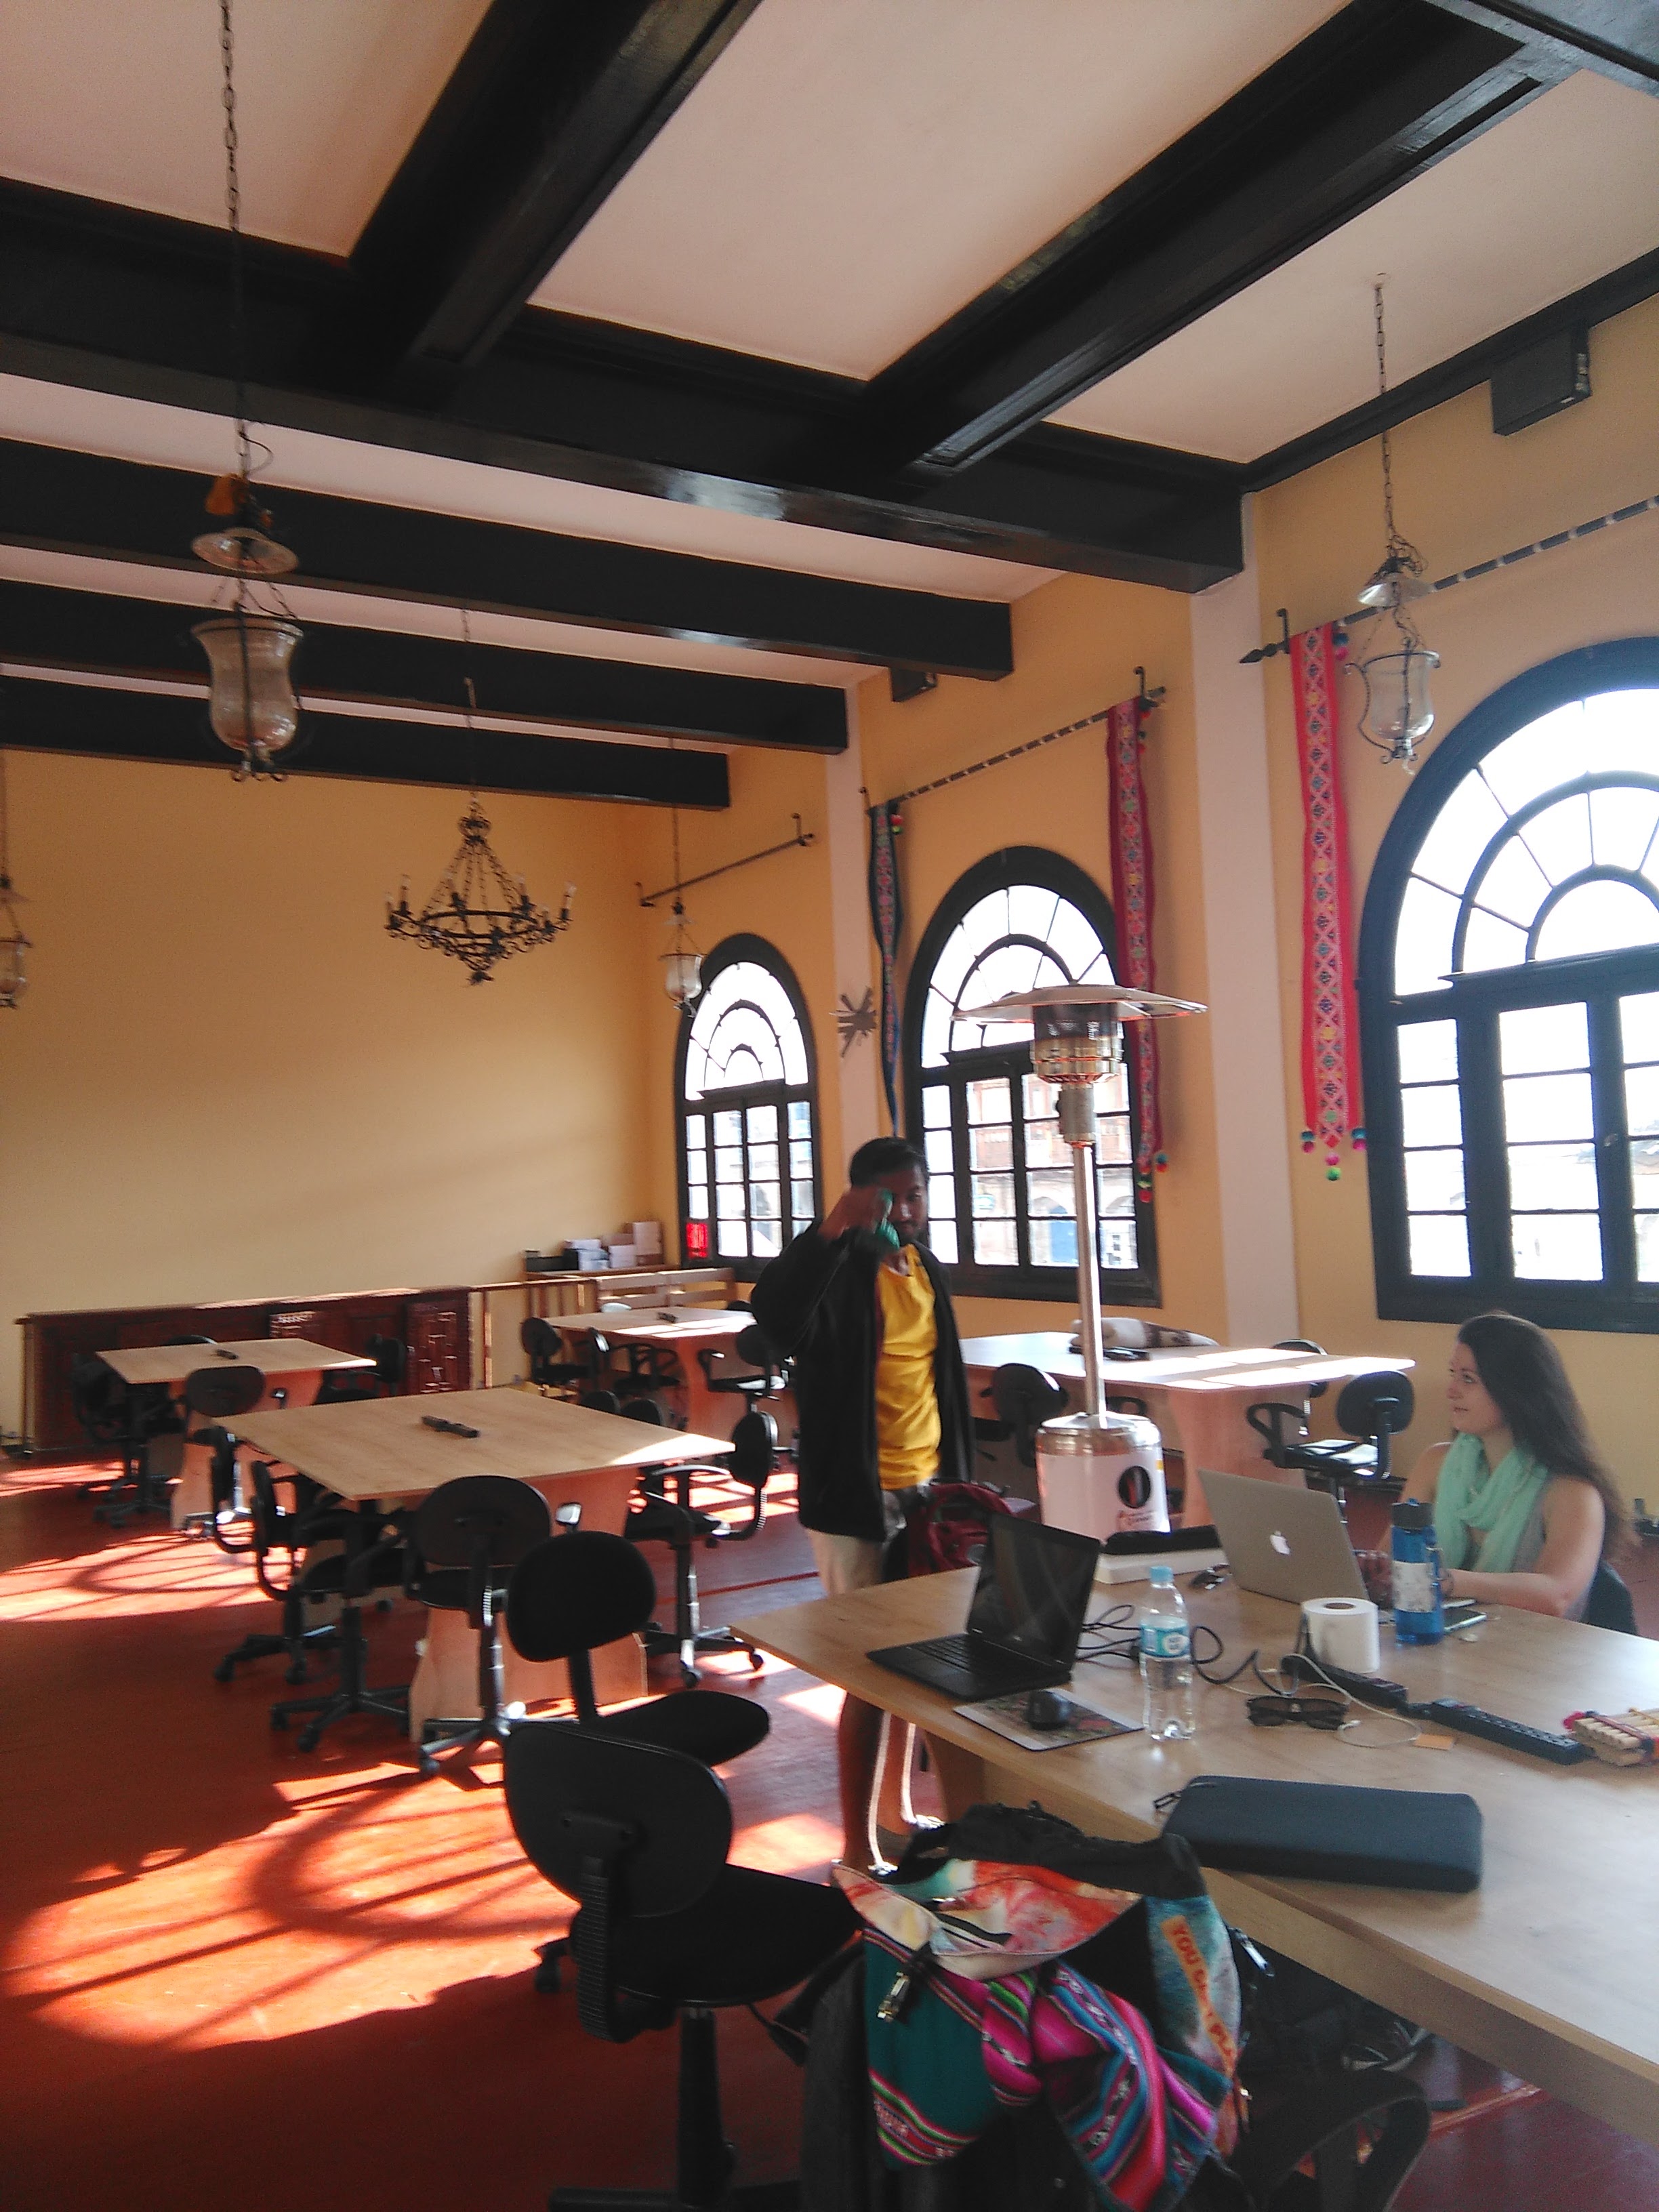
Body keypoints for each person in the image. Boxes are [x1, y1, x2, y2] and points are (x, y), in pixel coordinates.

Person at [750, 1134, 972, 1869]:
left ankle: (897, 1812)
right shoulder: (839, 1271)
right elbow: (775, 1320)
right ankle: (857, 1851)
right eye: (889, 1198)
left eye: (915, 1195)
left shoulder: (927, 1269)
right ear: (859, 1200)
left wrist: (958, 1483)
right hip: (856, 1494)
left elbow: (940, 1382)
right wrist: (831, 1232)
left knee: (923, 1659)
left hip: (928, 1488)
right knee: (869, 1671)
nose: (905, 1211)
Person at [1400, 1311, 1625, 1619]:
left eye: (1469, 1379)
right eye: (1453, 1374)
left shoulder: (1572, 1492)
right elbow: (1394, 1557)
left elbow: (1555, 1595)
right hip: (1450, 1640)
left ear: (1515, 1391)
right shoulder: (1434, 1463)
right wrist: (1376, 1570)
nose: (1451, 1390)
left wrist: (1449, 1581)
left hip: (1537, 1646)